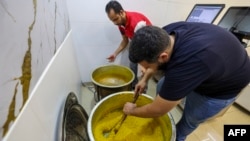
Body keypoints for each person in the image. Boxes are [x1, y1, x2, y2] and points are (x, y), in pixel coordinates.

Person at [123, 22, 250, 141]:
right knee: (162, 86)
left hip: (223, 86)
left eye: (147, 67)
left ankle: (179, 137)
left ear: (163, 56)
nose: (145, 70)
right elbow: (159, 67)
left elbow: (159, 109)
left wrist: (131, 111)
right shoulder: (163, 35)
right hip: (213, 62)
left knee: (190, 120)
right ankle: (157, 118)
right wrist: (144, 80)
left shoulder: (188, 64)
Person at [105, 0, 153, 91]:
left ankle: (143, 91)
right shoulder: (120, 24)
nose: (114, 23)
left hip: (148, 45)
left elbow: (145, 45)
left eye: (115, 19)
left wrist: (143, 65)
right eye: (112, 20)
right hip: (136, 42)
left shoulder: (137, 24)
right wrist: (115, 54)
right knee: (132, 63)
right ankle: (134, 86)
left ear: (122, 12)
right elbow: (125, 41)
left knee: (144, 71)